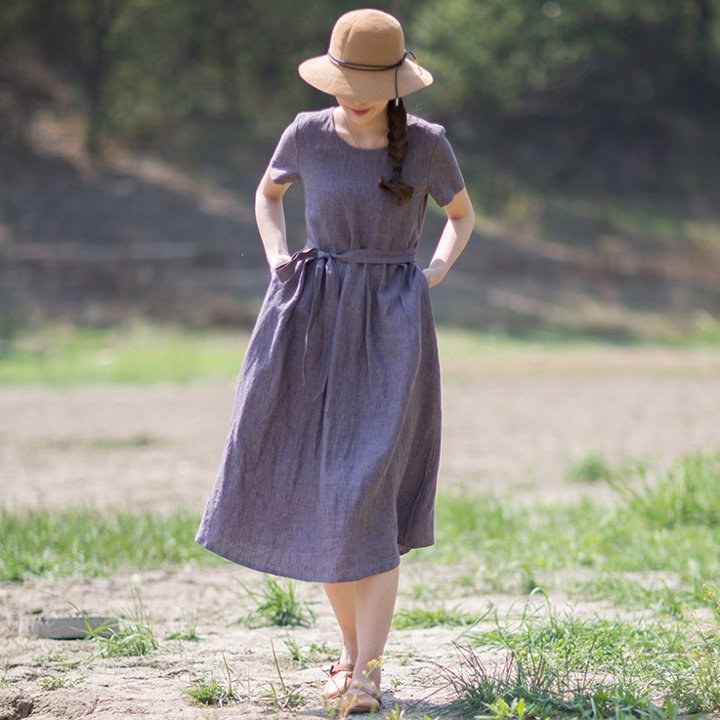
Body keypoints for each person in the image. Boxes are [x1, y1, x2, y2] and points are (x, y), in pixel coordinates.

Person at [195, 8, 474, 715]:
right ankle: (351, 661)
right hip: (310, 317)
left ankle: (369, 675)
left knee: (364, 496)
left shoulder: (428, 145)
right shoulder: (305, 134)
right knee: (325, 496)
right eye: (345, 79)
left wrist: (433, 272)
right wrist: (276, 257)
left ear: (397, 82)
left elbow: (462, 216)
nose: (353, 93)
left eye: (369, 82)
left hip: (390, 322)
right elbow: (267, 195)